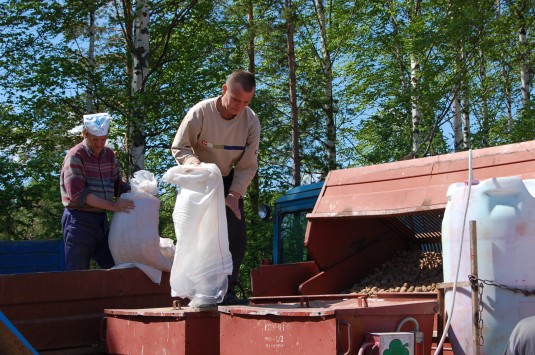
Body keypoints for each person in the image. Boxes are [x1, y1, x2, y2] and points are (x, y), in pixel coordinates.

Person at [171, 70, 260, 305]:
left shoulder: (251, 120)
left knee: (235, 235)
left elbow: (248, 165)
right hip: (198, 178)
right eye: (236, 100)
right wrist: (195, 166)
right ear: (224, 90)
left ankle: (225, 292)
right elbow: (180, 147)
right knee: (197, 235)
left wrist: (234, 195)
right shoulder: (201, 112)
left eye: (246, 102)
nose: (240, 107)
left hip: (228, 180)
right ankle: (191, 292)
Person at [60, 113, 135, 271]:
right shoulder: (75, 156)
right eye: (94, 139)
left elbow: (117, 184)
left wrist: (139, 192)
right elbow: (78, 193)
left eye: (103, 139)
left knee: (117, 266)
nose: (99, 144)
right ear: (85, 134)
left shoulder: (109, 155)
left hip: (102, 221)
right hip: (78, 221)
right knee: (76, 273)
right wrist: (113, 206)